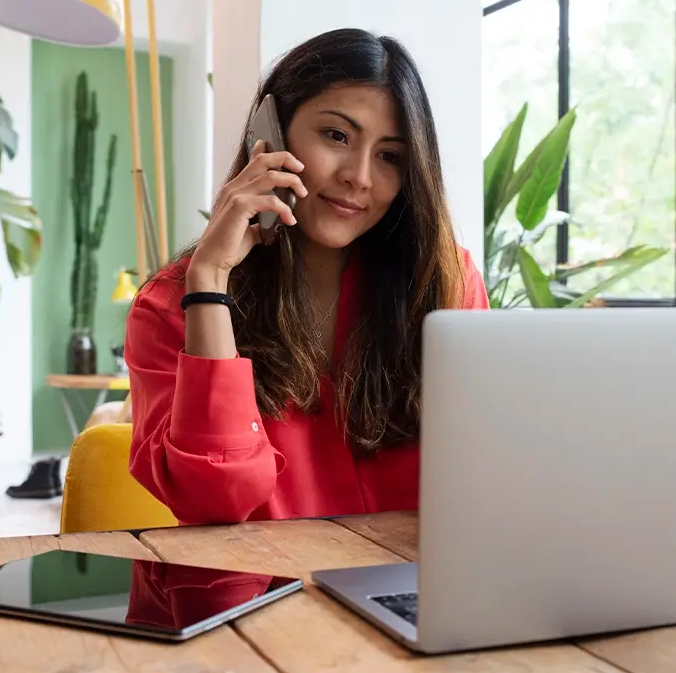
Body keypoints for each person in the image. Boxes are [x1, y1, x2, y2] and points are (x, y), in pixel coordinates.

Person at [125, 28, 489, 525]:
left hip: (407, 573)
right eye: (336, 136)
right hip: (250, 576)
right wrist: (210, 281)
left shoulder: (445, 282)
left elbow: (486, 475)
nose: (359, 176)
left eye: (390, 156)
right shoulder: (171, 304)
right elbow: (213, 499)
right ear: (269, 135)